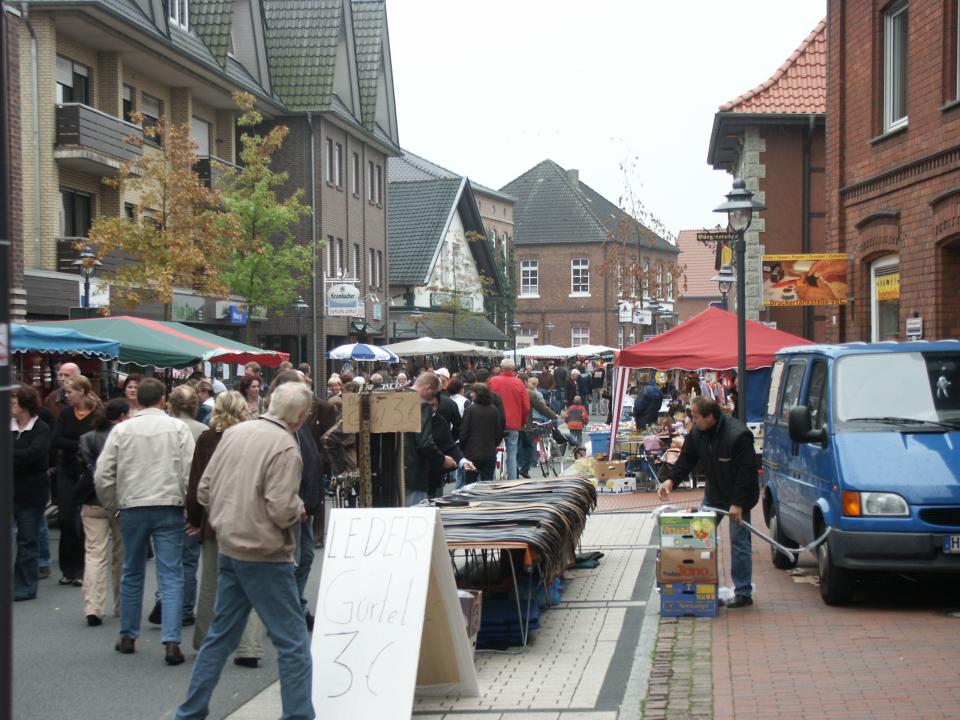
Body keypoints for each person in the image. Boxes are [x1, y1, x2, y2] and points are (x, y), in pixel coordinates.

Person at [175, 382, 315, 720]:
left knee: (219, 637)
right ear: (300, 416)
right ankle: (298, 715)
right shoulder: (285, 446)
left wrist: (231, 512)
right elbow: (281, 509)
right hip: (264, 553)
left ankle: (191, 711)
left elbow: (204, 491)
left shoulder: (235, 432)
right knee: (294, 644)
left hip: (230, 545)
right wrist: (297, 509)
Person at [95, 377, 197, 665]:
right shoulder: (177, 428)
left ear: (136, 399)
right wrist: (191, 508)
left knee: (132, 571)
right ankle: (172, 641)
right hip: (168, 505)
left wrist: (113, 504)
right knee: (171, 574)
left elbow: (104, 474)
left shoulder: (122, 430)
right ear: (163, 399)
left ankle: (128, 635)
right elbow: (190, 472)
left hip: (132, 505)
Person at [185, 391, 266, 667]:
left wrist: (195, 519)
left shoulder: (207, 440)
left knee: (211, 583)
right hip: (248, 517)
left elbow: (197, 484)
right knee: (251, 583)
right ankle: (250, 647)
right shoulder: (254, 438)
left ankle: (207, 642)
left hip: (214, 519)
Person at [658, 397, 759, 609]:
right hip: (714, 492)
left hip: (737, 495)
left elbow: (747, 472)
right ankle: (700, 587)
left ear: (710, 417)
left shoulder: (738, 435)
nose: (692, 421)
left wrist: (738, 504)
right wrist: (671, 481)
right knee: (699, 539)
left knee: (739, 541)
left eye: (695, 417)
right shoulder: (698, 434)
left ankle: (743, 592)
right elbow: (686, 459)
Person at [147, 385, 207, 629]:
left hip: (164, 498)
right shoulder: (202, 430)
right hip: (191, 502)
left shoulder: (162, 429)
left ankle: (165, 599)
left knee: (167, 557)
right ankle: (183, 608)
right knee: (190, 559)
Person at [78, 398, 129, 625]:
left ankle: (93, 607)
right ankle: (122, 605)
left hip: (92, 500)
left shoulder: (87, 439)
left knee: (94, 554)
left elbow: (83, 468)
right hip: (121, 501)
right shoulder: (125, 437)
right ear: (122, 416)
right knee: (122, 555)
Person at [52, 375, 102, 587]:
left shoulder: (98, 414)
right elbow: (56, 440)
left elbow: (98, 442)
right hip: (67, 469)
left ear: (82, 391)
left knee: (84, 522)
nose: (66, 395)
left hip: (89, 473)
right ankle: (68, 568)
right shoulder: (65, 413)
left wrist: (73, 444)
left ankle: (83, 568)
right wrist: (81, 444)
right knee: (65, 519)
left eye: (70, 391)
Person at [11, 384, 52, 601]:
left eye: (14, 402)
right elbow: (27, 456)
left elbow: (36, 456)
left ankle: (25, 586)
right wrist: (21, 456)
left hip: (31, 493)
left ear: (25, 405)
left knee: (28, 540)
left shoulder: (41, 428)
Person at [404, 373, 457, 506]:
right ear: (427, 388)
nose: (435, 398)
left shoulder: (398, 398)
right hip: (414, 472)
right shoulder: (421, 405)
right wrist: (442, 459)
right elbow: (424, 442)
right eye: (435, 394)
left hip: (395, 472)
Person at [488, 359, 530, 480]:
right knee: (512, 454)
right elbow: (526, 407)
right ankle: (512, 480)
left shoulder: (493, 381)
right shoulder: (519, 383)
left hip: (495, 423)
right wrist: (521, 421)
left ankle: (491, 480)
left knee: (493, 453)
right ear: (513, 369)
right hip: (513, 423)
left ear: (501, 368)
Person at [459, 383, 504, 484]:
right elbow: (498, 432)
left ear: (477, 394)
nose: (471, 394)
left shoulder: (470, 409)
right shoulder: (493, 409)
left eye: (473, 392)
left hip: (472, 452)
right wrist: (494, 444)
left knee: (470, 483)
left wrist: (463, 447)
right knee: (487, 483)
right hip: (489, 451)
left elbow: (464, 431)